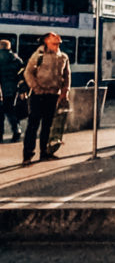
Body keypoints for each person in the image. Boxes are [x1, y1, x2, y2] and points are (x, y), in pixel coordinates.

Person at [21, 32, 71, 165]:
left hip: (53, 95)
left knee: (48, 126)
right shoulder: (38, 55)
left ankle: (45, 153)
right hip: (38, 95)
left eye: (58, 42)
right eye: (54, 39)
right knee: (33, 125)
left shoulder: (63, 57)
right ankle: (27, 155)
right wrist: (36, 88)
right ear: (46, 41)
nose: (57, 41)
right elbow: (28, 72)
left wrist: (64, 92)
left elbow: (67, 76)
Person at [0, 39, 23, 143]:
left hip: (0, 90)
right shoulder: (16, 59)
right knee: (11, 111)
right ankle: (17, 131)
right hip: (12, 89)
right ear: (9, 47)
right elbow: (22, 74)